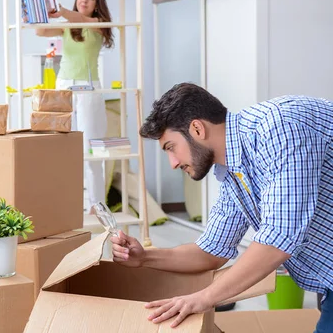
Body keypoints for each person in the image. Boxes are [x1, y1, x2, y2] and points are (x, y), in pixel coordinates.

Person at [111, 83, 332, 332]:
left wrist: (203, 298)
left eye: (171, 148)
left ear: (197, 128)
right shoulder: (231, 174)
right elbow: (211, 251)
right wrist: (144, 258)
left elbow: (279, 238)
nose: (172, 163)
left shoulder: (280, 127)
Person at [36, 0, 114, 213]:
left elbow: (83, 21)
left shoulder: (100, 24)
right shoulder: (68, 25)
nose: (84, 0)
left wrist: (62, 12)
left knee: (91, 146)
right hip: (64, 86)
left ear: (97, 4)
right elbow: (40, 31)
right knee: (64, 144)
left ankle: (96, 204)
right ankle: (69, 201)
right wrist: (43, 11)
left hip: (88, 87)